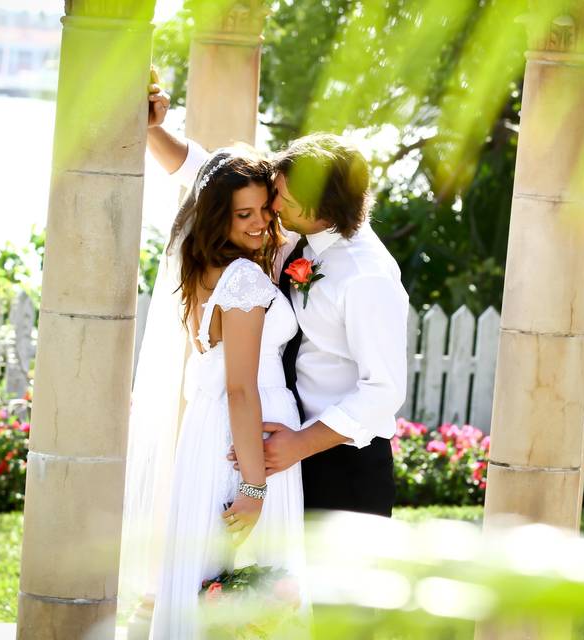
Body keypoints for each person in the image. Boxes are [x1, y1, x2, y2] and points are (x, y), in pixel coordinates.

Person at [147, 82, 410, 518]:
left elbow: (383, 392)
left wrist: (299, 445)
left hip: (341, 463)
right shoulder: (300, 231)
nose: (271, 207)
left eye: (281, 200)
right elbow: (214, 179)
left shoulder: (367, 278)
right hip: (279, 446)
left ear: (320, 207)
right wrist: (155, 131)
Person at [121, 143, 307, 639]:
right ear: (216, 215)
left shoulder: (203, 265)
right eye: (242, 214)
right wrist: (254, 486)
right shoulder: (243, 278)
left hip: (213, 433)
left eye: (265, 211)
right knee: (248, 572)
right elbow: (242, 389)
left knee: (214, 569)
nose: (259, 224)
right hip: (244, 443)